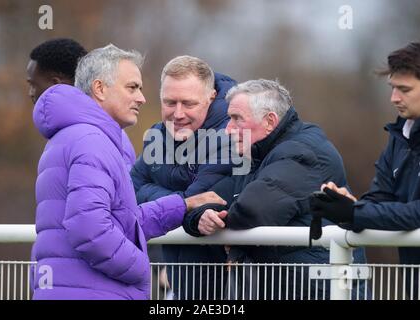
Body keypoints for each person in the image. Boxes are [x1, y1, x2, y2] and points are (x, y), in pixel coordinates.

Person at [31, 44, 225, 300]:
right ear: (100, 89)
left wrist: (182, 205)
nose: (142, 98)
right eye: (132, 87)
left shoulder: (77, 136)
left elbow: (121, 222)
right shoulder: (90, 140)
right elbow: (88, 228)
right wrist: (140, 266)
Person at [183, 79, 366, 299]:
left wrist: (219, 224)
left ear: (270, 121)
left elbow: (254, 209)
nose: (227, 130)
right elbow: (205, 199)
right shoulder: (258, 155)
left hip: (318, 289)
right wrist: (200, 218)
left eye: (236, 119)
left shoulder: (303, 151)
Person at [310, 42, 420, 299]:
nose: (394, 98)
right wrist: (348, 208)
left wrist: (356, 213)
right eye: (393, 88)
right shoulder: (400, 136)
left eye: (404, 89)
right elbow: (379, 198)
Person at [130, 55, 237, 299]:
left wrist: (166, 202)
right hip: (181, 280)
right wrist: (183, 203)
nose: (177, 114)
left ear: (211, 97)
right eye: (169, 102)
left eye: (188, 104)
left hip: (227, 284)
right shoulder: (157, 134)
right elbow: (129, 191)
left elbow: (209, 199)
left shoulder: (233, 134)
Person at [26, 38, 136, 169]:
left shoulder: (88, 138)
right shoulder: (110, 131)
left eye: (33, 85)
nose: (30, 93)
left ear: (55, 85)